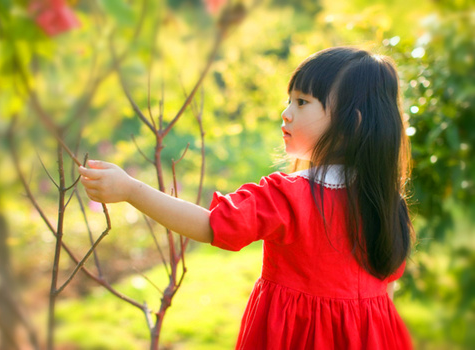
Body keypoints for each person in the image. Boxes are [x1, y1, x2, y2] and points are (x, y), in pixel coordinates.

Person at [78, 46, 414, 349]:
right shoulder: (385, 201)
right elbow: (387, 290)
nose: (285, 112)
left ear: (349, 125)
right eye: (289, 100)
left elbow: (211, 226)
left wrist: (131, 190)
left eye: (301, 102)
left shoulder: (289, 196)